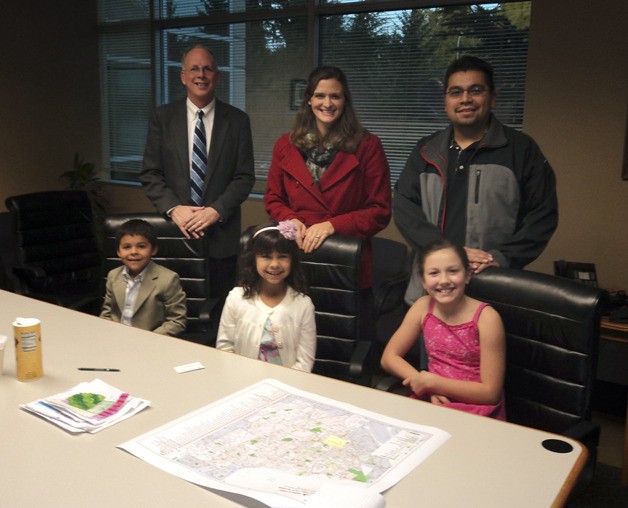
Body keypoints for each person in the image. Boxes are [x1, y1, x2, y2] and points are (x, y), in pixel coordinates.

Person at [395, 55, 558, 305]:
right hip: (429, 292)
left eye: (476, 90)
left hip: (491, 290)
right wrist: (447, 253)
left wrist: (501, 258)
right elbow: (405, 207)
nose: (465, 99)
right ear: (445, 101)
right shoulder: (426, 150)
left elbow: (542, 216)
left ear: (492, 98)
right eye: (456, 92)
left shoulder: (521, 150)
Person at [139, 44, 255, 335]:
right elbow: (150, 173)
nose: (201, 75)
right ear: (182, 76)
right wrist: (174, 208)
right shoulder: (162, 118)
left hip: (221, 240)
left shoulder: (238, 121)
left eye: (207, 69)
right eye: (194, 68)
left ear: (217, 76)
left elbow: (244, 177)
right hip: (175, 234)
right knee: (171, 315)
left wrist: (216, 210)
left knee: (218, 319)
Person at [264, 66, 391, 290]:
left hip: (345, 259)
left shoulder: (368, 146)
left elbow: (379, 211)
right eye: (320, 95)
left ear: (345, 100)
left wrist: (332, 225)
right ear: (309, 100)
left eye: (335, 96)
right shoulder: (285, 145)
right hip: (295, 252)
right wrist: (290, 219)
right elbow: (273, 199)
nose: (327, 103)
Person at [381, 238, 506, 419]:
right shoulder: (423, 307)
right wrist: (422, 381)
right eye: (434, 273)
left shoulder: (487, 318)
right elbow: (389, 357)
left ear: (467, 275)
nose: (444, 280)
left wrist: (434, 383)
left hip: (477, 410)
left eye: (453, 271)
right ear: (423, 281)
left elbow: (490, 393)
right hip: (433, 400)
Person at [216, 221, 316, 372]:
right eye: (266, 257)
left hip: (288, 385)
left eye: (282, 256)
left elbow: (305, 362)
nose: (274, 264)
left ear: (292, 261)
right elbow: (224, 348)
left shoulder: (303, 304)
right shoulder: (236, 298)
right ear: (254, 260)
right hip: (241, 381)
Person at [100, 219, 187, 336]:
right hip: (116, 337)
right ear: (118, 252)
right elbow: (106, 314)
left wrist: (147, 339)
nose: (134, 252)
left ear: (153, 250)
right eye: (126, 247)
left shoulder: (168, 279)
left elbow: (177, 322)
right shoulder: (113, 275)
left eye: (141, 246)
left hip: (150, 340)